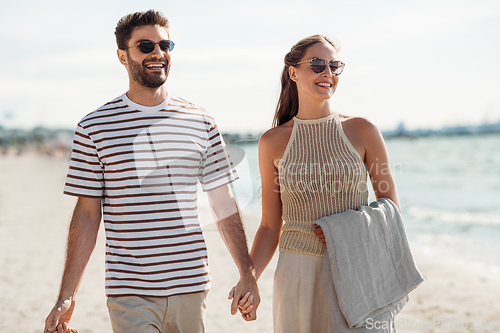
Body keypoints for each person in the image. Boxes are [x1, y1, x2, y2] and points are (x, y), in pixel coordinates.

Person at [44, 9, 259, 333]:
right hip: (130, 293)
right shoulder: (94, 128)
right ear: (122, 55)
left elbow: (221, 200)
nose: (158, 53)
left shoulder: (201, 121)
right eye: (145, 46)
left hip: (192, 286)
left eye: (165, 45)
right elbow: (88, 214)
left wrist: (247, 273)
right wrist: (67, 295)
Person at [246, 35, 401, 332]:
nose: (327, 72)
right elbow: (269, 226)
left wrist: (343, 228)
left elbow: (391, 208)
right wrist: (249, 278)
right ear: (294, 72)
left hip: (358, 268)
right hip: (298, 273)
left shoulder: (362, 130)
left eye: (334, 65)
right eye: (317, 64)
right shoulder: (272, 142)